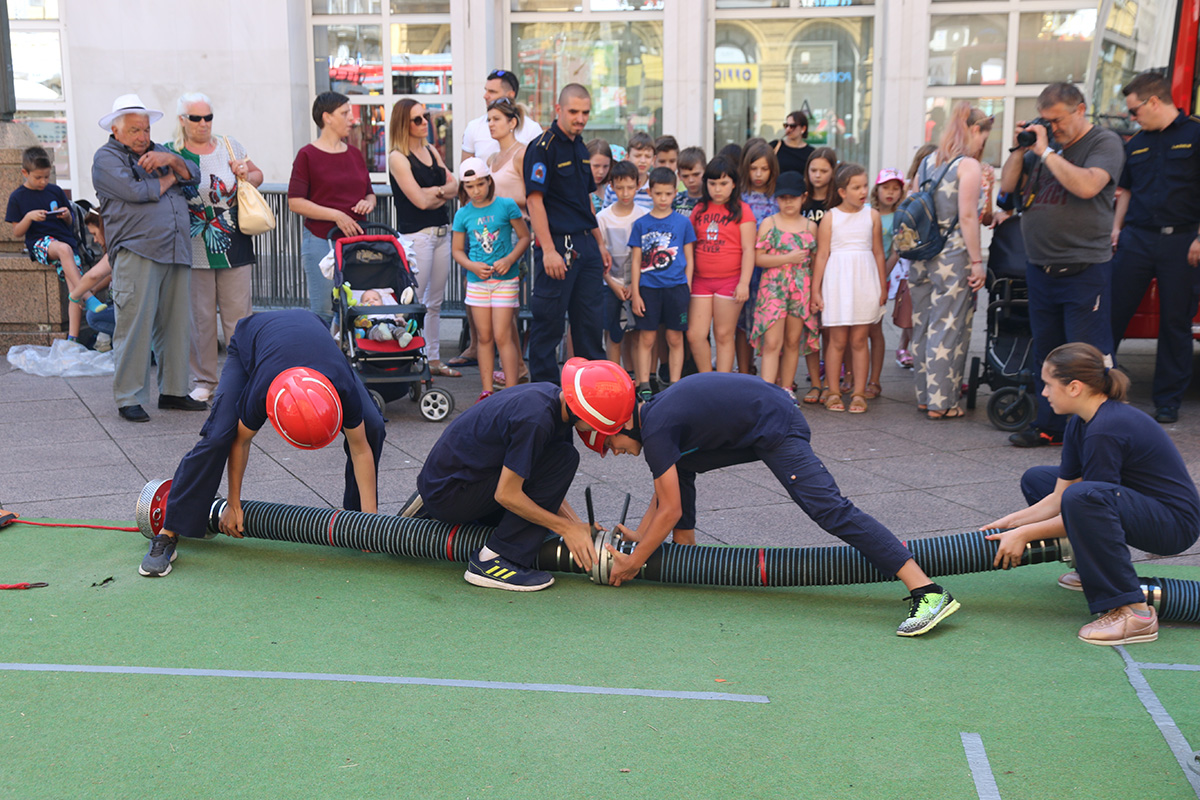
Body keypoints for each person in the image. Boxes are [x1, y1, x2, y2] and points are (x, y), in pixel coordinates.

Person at [598, 373, 961, 637]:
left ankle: (927, 591)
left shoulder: (656, 428)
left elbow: (671, 509)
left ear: (621, 423)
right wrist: (643, 535)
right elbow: (667, 493)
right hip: (762, 414)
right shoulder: (655, 415)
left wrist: (635, 560)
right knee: (681, 466)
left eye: (608, 442)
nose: (612, 451)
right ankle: (687, 552)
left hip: (775, 422)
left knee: (830, 509)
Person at [140, 309, 386, 577]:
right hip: (253, 340)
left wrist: (370, 520)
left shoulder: (341, 385)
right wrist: (233, 504)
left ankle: (357, 517)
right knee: (219, 437)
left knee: (372, 426)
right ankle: (168, 532)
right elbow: (241, 442)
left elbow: (361, 449)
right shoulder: (263, 388)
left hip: (313, 340)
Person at [983, 343, 1199, 645]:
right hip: (1137, 503)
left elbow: (1090, 503)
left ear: (1074, 387)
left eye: (1048, 384)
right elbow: (1059, 496)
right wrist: (1011, 523)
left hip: (1173, 524)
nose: (1044, 393)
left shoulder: (1106, 429)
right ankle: (1089, 566)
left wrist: (1025, 534)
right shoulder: (1080, 422)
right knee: (1038, 479)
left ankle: (1135, 614)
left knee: (1084, 497)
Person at [414, 358, 635, 592]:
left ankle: (433, 506)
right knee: (564, 461)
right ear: (589, 417)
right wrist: (565, 528)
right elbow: (506, 494)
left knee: (563, 458)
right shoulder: (536, 421)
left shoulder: (553, 402)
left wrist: (579, 527)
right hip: (450, 494)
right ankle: (493, 559)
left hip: (451, 479)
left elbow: (547, 486)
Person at [999, 82, 1125, 447]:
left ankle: (1105, 431)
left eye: (1058, 120)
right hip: (1041, 267)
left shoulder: (1103, 142)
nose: (1053, 128)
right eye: (1047, 121)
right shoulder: (1043, 147)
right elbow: (1007, 188)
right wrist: (1020, 149)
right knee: (1048, 352)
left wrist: (1046, 151)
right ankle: (1050, 427)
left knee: (1089, 356)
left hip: (1084, 268)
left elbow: (1088, 186)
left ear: (1080, 109)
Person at [92, 93, 205, 423]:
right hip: (137, 250)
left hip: (175, 249)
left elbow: (193, 174)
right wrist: (172, 175)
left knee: (176, 325)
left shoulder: (160, 152)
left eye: (145, 129)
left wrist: (173, 162)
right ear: (115, 130)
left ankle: (174, 391)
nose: (143, 136)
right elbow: (137, 191)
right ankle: (129, 396)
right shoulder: (105, 158)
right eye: (134, 130)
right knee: (134, 327)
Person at [1108, 71, 1200, 425]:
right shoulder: (1137, 143)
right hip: (1137, 238)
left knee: (1176, 322)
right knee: (1113, 315)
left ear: (1155, 102)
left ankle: (1167, 401)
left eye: (1135, 110)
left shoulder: (1195, 135)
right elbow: (1127, 191)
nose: (1133, 118)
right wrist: (1117, 230)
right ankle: (1102, 387)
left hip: (1182, 240)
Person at [168, 92, 263, 403]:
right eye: (196, 118)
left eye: (208, 117)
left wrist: (246, 174)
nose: (203, 123)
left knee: (239, 317)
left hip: (233, 238)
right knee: (201, 319)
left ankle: (242, 377)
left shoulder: (229, 145)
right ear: (182, 120)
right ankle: (205, 379)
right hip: (193, 242)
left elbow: (258, 175)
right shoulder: (172, 152)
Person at [523, 83, 612, 384]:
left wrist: (600, 244)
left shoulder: (580, 146)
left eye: (585, 112)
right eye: (574, 111)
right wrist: (549, 250)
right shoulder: (542, 147)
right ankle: (545, 396)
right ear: (558, 109)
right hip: (558, 246)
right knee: (548, 327)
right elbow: (534, 201)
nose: (580, 118)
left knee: (590, 328)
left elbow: (586, 200)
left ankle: (593, 394)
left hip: (586, 246)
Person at [908, 103, 990, 420]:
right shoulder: (967, 166)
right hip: (952, 253)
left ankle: (924, 396)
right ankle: (942, 402)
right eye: (983, 135)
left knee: (923, 325)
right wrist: (977, 261)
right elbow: (967, 217)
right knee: (947, 327)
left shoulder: (927, 161)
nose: (983, 142)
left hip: (922, 252)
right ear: (974, 129)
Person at [287, 91, 376, 325]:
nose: (351, 118)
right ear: (327, 117)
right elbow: (295, 201)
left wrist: (368, 202)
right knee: (324, 312)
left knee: (356, 307)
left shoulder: (355, 154)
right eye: (344, 113)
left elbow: (369, 192)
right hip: (321, 241)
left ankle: (347, 350)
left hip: (356, 242)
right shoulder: (307, 155)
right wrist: (337, 215)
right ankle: (322, 350)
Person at [387, 98, 459, 378]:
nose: (424, 122)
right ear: (403, 124)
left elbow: (454, 186)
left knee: (435, 302)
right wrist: (441, 192)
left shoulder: (430, 150)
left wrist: (436, 192)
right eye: (417, 119)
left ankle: (433, 357)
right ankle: (407, 355)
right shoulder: (398, 157)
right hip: (417, 236)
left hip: (441, 231)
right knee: (414, 300)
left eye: (425, 116)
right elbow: (418, 200)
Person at [451, 158, 530, 404]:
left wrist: (509, 259)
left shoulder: (506, 205)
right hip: (477, 282)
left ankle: (511, 390)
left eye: (480, 184)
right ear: (463, 188)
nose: (476, 190)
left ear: (489, 181)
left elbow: (525, 237)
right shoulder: (463, 214)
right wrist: (472, 266)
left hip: (506, 281)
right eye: (469, 186)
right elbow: (457, 251)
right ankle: (487, 390)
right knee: (484, 337)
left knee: (502, 334)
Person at [812, 164, 887, 414]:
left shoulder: (872, 216)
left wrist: (882, 285)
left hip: (864, 281)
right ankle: (833, 390)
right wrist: (816, 290)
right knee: (837, 340)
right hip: (837, 282)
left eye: (865, 186)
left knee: (859, 339)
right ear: (842, 192)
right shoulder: (830, 217)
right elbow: (822, 255)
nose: (863, 191)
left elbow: (878, 252)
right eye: (856, 187)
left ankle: (858, 392)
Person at [6, 146, 94, 342]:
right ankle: (88, 295)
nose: (43, 182)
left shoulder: (55, 191)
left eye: (46, 177)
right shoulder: (17, 197)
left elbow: (71, 222)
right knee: (64, 250)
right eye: (38, 177)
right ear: (25, 173)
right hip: (40, 242)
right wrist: (29, 217)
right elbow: (17, 232)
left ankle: (73, 338)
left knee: (73, 287)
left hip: (65, 241)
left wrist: (66, 215)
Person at [751, 171, 819, 403]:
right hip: (773, 288)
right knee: (772, 342)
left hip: (800, 288)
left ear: (804, 197)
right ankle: (767, 390)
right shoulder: (769, 223)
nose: (788, 202)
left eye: (793, 197)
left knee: (792, 340)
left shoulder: (810, 226)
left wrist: (815, 292)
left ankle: (787, 388)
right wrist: (787, 258)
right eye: (783, 198)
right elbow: (758, 258)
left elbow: (814, 262)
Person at [629, 166, 696, 400]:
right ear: (649, 192)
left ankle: (675, 385)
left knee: (675, 338)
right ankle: (645, 383)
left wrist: (686, 288)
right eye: (658, 193)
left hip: (676, 289)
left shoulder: (683, 223)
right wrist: (636, 293)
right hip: (648, 289)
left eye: (668, 194)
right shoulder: (641, 224)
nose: (663, 198)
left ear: (675, 193)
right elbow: (635, 261)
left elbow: (690, 259)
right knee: (647, 337)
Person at [688, 157, 755, 374]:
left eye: (724, 183)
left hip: (730, 281)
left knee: (724, 334)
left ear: (734, 184)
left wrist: (744, 282)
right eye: (713, 183)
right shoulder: (699, 210)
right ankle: (708, 380)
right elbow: (690, 246)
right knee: (695, 335)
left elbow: (748, 250)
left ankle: (723, 383)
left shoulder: (743, 210)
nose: (718, 189)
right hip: (700, 281)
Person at [597, 160, 648, 371]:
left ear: (638, 185)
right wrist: (612, 284)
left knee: (637, 333)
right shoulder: (602, 218)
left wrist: (634, 286)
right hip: (610, 284)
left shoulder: (644, 215)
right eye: (619, 188)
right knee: (613, 333)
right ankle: (613, 375)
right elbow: (599, 257)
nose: (625, 193)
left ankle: (634, 377)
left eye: (630, 187)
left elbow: (646, 257)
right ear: (611, 186)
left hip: (638, 285)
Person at [736, 141, 781, 375]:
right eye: (754, 169)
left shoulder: (778, 198)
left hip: (772, 269)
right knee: (742, 322)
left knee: (772, 322)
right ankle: (745, 369)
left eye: (764, 169)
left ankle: (774, 374)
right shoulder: (739, 198)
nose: (759, 174)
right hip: (743, 268)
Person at [892, 145, 937, 370]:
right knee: (910, 309)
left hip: (930, 255)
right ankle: (908, 348)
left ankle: (909, 347)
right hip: (913, 258)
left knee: (921, 308)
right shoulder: (911, 191)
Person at [870, 167, 906, 395]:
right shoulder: (866, 212)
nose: (890, 192)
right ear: (877, 189)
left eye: (895, 188)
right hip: (859, 274)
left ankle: (874, 379)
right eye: (886, 187)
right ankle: (850, 374)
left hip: (880, 276)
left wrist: (882, 275)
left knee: (874, 328)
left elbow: (896, 252)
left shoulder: (900, 217)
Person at [460, 68, 542, 162]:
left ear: (510, 95)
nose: (485, 96)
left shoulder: (532, 129)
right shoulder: (474, 127)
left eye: (492, 92)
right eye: (486, 90)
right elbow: (465, 168)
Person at [602, 131, 655, 210]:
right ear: (627, 157)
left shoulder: (656, 187)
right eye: (637, 156)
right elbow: (605, 213)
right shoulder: (613, 187)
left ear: (653, 159)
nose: (643, 161)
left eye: (647, 156)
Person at [772, 110, 815, 177]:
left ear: (803, 129)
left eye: (792, 126)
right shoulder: (775, 146)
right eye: (786, 125)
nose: (788, 129)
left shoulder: (811, 152)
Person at [801, 147, 837, 225]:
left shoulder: (839, 200)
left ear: (833, 172)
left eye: (824, 171)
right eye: (813, 170)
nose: (817, 175)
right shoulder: (800, 198)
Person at [673, 146, 706, 216]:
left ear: (705, 171)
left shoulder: (713, 201)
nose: (691, 180)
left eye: (696, 174)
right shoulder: (674, 201)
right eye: (685, 176)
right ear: (679, 176)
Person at [587, 138, 613, 214]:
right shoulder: (578, 190)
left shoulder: (612, 188)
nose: (601, 172)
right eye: (596, 166)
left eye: (605, 166)